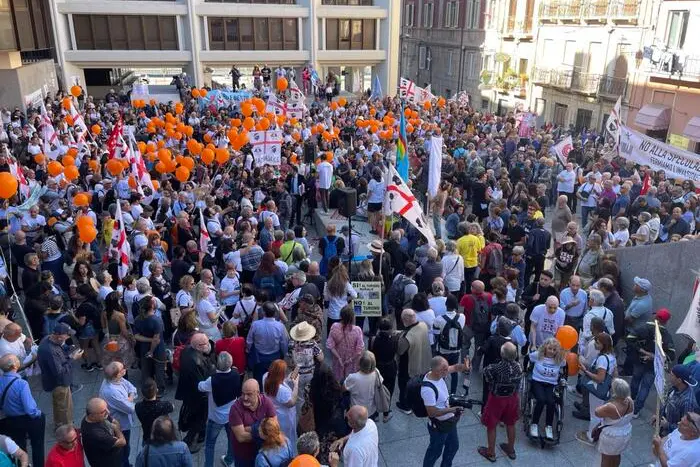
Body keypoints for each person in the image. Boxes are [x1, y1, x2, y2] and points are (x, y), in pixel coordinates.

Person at [421, 355, 471, 467]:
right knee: (434, 452)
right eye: (444, 370)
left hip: (449, 421)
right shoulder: (427, 390)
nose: (447, 371)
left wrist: (464, 367)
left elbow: (455, 368)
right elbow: (432, 412)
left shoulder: (439, 373)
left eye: (446, 368)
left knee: (453, 446)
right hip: (439, 426)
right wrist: (452, 409)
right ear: (436, 371)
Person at [627, 308, 676, 417]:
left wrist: (641, 351)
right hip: (653, 366)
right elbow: (671, 355)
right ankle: (635, 411)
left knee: (635, 380)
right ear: (666, 321)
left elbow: (630, 339)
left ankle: (631, 400)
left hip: (639, 361)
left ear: (655, 317)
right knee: (645, 387)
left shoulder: (643, 328)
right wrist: (653, 356)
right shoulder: (666, 336)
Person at [479, 342, 522, 462]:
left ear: (502, 354)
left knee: (491, 425)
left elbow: (487, 378)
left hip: (497, 399)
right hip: (512, 398)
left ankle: (491, 452)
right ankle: (510, 449)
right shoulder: (519, 366)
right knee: (510, 423)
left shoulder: (494, 368)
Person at [0, 354, 44, 467]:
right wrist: (38, 414)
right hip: (28, 419)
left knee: (19, 447)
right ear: (14, 365)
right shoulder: (21, 384)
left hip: (11, 420)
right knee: (37, 446)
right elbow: (30, 409)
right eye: (17, 360)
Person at [37, 323, 83, 430]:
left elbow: (59, 357)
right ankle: (67, 429)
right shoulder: (50, 351)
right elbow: (59, 372)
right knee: (65, 407)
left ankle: (59, 424)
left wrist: (68, 351)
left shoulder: (49, 339)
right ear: (59, 336)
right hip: (59, 383)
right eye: (67, 335)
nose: (68, 337)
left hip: (54, 382)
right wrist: (73, 358)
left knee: (58, 405)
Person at [199, 351, 241, 467]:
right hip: (231, 415)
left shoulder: (212, 380)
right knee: (231, 439)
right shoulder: (236, 374)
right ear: (230, 363)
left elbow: (200, 386)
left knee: (210, 445)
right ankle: (229, 460)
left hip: (215, 418)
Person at [175, 332, 215, 450]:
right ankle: (188, 441)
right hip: (197, 395)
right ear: (198, 346)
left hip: (189, 391)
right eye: (206, 343)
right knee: (200, 418)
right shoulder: (197, 361)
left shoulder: (187, 350)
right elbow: (202, 382)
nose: (209, 345)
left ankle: (202, 434)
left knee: (197, 416)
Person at [577, 332, 617, 445]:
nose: (595, 344)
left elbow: (600, 378)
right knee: (599, 413)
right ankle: (595, 433)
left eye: (597, 342)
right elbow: (615, 373)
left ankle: (591, 436)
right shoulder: (612, 356)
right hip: (604, 389)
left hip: (596, 390)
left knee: (595, 413)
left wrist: (585, 371)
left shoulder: (602, 359)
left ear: (603, 344)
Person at [229, 379, 277, 467]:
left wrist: (250, 429)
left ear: (258, 393)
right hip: (244, 456)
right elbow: (241, 437)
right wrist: (264, 433)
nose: (245, 397)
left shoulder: (267, 402)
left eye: (249, 394)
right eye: (243, 393)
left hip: (264, 454)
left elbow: (274, 427)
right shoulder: (235, 409)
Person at [98, 362, 137, 467]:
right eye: (122, 369)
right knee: (122, 451)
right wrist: (130, 399)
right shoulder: (111, 391)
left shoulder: (118, 380)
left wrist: (129, 398)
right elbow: (130, 408)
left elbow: (133, 388)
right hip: (120, 426)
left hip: (123, 422)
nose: (125, 369)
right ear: (116, 375)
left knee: (126, 448)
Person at [528, 338, 566, 440]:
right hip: (537, 381)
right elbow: (529, 357)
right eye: (550, 348)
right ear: (545, 347)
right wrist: (533, 346)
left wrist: (564, 351)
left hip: (551, 384)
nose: (552, 352)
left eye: (554, 350)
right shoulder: (538, 355)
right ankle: (534, 424)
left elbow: (565, 364)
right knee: (541, 400)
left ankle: (548, 426)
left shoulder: (558, 360)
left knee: (551, 402)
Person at [396, 309, 432, 414]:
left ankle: (405, 406)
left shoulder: (407, 337)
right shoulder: (423, 325)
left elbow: (400, 350)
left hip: (409, 366)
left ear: (404, 320)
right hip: (424, 362)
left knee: (404, 386)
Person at [247, 302, 289, 386]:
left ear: (263, 312)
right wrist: (284, 354)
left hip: (259, 357)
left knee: (259, 382)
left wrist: (249, 351)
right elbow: (284, 342)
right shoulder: (280, 326)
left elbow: (249, 341)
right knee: (274, 380)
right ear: (275, 313)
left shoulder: (255, 325)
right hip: (275, 356)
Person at [595, 378, 634, 467]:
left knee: (606, 458)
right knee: (617, 455)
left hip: (612, 436)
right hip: (625, 433)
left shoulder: (611, 407)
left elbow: (597, 412)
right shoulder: (630, 401)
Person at [263, 359, 299, 453]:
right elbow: (292, 403)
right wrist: (296, 385)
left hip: (274, 414)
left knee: (276, 436)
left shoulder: (265, 377)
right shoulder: (282, 390)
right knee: (287, 438)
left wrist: (287, 380)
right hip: (285, 418)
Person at [432, 294, 465, 394]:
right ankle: (453, 392)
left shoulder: (438, 319)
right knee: (454, 371)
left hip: (443, 350)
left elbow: (436, 335)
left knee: (442, 371)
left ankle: (442, 391)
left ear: (446, 305)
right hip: (456, 349)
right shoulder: (462, 317)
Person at [81, 398, 126, 467]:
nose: (108, 412)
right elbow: (122, 442)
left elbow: (115, 421)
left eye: (106, 409)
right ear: (92, 416)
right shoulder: (95, 434)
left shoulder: (98, 416)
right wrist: (117, 429)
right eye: (103, 411)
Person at [655, 365, 699, 436]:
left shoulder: (687, 402)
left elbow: (686, 427)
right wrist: (658, 416)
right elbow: (666, 403)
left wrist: (667, 425)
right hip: (663, 428)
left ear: (679, 380)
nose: (669, 376)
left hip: (671, 436)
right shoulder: (674, 388)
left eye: (672, 375)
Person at [326, 305, 364, 382]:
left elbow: (330, 345)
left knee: (337, 380)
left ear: (341, 316)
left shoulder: (334, 327)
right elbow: (359, 350)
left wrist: (339, 358)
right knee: (350, 382)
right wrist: (349, 360)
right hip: (352, 362)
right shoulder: (357, 330)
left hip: (338, 360)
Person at [135, 379, 174, 446]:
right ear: (157, 390)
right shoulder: (164, 405)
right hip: (163, 437)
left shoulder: (138, 406)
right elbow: (172, 407)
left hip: (147, 437)